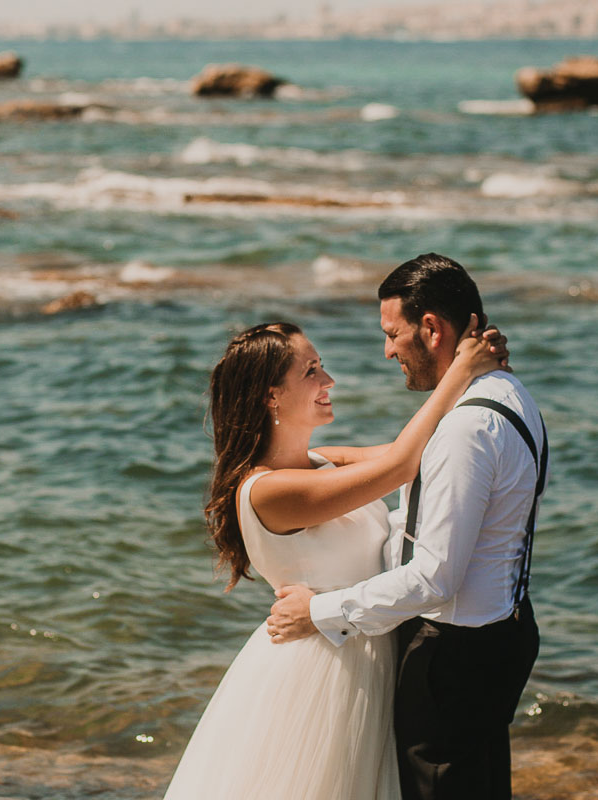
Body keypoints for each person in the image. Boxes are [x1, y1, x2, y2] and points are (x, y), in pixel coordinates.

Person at [162, 312, 509, 800]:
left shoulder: (326, 461)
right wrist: (460, 371)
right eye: (311, 372)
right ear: (270, 395)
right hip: (322, 669)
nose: (329, 380)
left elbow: (430, 451)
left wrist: (482, 382)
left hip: (362, 650)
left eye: (321, 366)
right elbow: (401, 463)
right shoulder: (269, 490)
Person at [267, 253, 548, 800]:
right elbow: (414, 478)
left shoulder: (465, 429)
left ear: (431, 329)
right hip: (506, 630)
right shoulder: (513, 397)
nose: (387, 350)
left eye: (392, 334)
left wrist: (316, 612)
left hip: (453, 659)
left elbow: (433, 579)